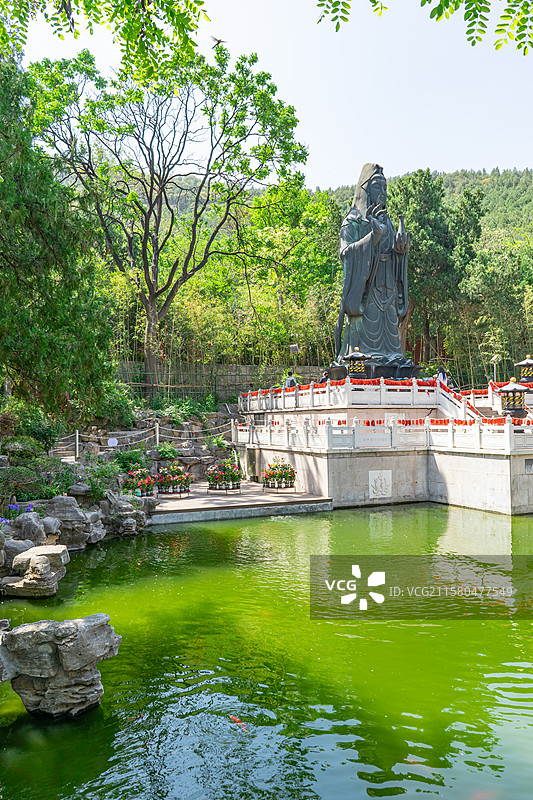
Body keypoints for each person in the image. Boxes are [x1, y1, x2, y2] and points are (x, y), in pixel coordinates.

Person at [334, 163, 412, 370]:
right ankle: (361, 360)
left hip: (388, 284)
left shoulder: (389, 222)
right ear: (365, 189)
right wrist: (372, 237)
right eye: (378, 186)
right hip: (366, 286)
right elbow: (346, 253)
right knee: (365, 330)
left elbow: (394, 253)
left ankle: (393, 358)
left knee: (390, 334)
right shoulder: (353, 221)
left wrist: (401, 251)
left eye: (385, 187)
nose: (383, 192)